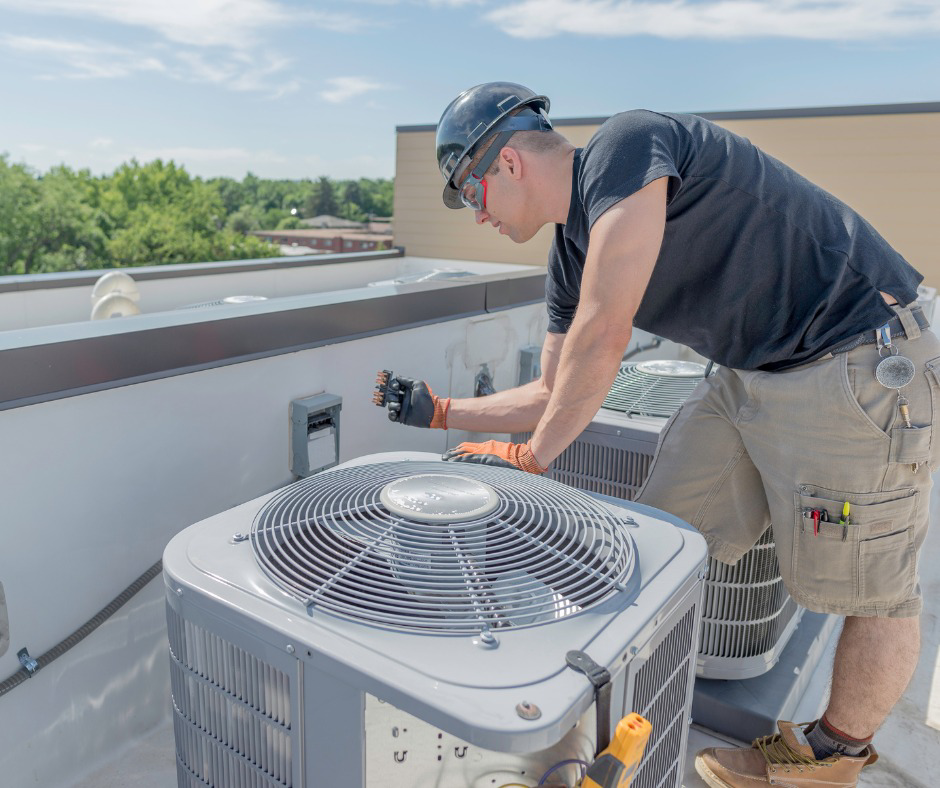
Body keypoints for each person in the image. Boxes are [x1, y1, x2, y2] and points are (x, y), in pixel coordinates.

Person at [380, 82, 936, 787]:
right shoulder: (568, 256)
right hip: (750, 372)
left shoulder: (626, 143)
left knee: (870, 589)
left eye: (471, 194)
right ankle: (615, 714)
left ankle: (832, 756)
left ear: (508, 165)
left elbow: (605, 330)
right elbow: (555, 387)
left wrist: (532, 456)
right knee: (659, 536)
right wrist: (439, 410)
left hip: (857, 353)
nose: (476, 216)